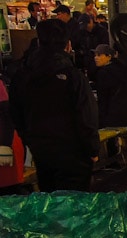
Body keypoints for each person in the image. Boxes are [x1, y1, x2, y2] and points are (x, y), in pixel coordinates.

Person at [9, 19, 100, 192]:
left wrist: (30, 140)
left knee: (50, 203)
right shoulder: (72, 75)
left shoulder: (23, 74)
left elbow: (16, 113)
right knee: (74, 205)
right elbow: (86, 115)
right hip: (74, 154)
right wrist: (93, 148)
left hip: (41, 151)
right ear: (67, 44)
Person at [92, 44, 127, 129]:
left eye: (99, 55)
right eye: (95, 55)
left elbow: (103, 98)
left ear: (109, 57)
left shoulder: (103, 74)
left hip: (111, 115)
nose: (96, 58)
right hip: (126, 113)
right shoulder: (122, 69)